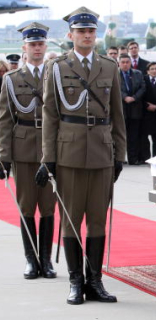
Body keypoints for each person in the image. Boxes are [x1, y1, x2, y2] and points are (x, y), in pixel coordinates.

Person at [35, 6, 126, 305]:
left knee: (98, 219)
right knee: (71, 220)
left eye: (91, 31)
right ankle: (76, 281)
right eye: (81, 31)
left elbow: (117, 114)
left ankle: (95, 281)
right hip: (69, 153)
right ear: (71, 34)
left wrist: (119, 154)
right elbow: (49, 114)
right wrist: (48, 157)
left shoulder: (109, 66)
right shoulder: (57, 67)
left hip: (101, 152)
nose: (87, 35)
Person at [0, 22, 57, 280]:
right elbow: (4, 120)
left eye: (40, 44)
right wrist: (3, 156)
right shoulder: (11, 79)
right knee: (26, 206)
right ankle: (30, 259)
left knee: (47, 206)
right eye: (32, 44)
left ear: (45, 46)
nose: (37, 48)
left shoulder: (56, 74)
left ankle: (46, 260)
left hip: (49, 149)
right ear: (25, 47)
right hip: (22, 148)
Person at [119, 54, 146, 165]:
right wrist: (124, 97)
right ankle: (120, 159)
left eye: (127, 62)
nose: (125, 64)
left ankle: (133, 158)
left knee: (133, 136)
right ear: (119, 63)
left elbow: (143, 87)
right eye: (123, 62)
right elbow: (114, 88)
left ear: (130, 63)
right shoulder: (115, 74)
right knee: (121, 136)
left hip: (135, 108)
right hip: (121, 108)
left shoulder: (137, 73)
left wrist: (134, 98)